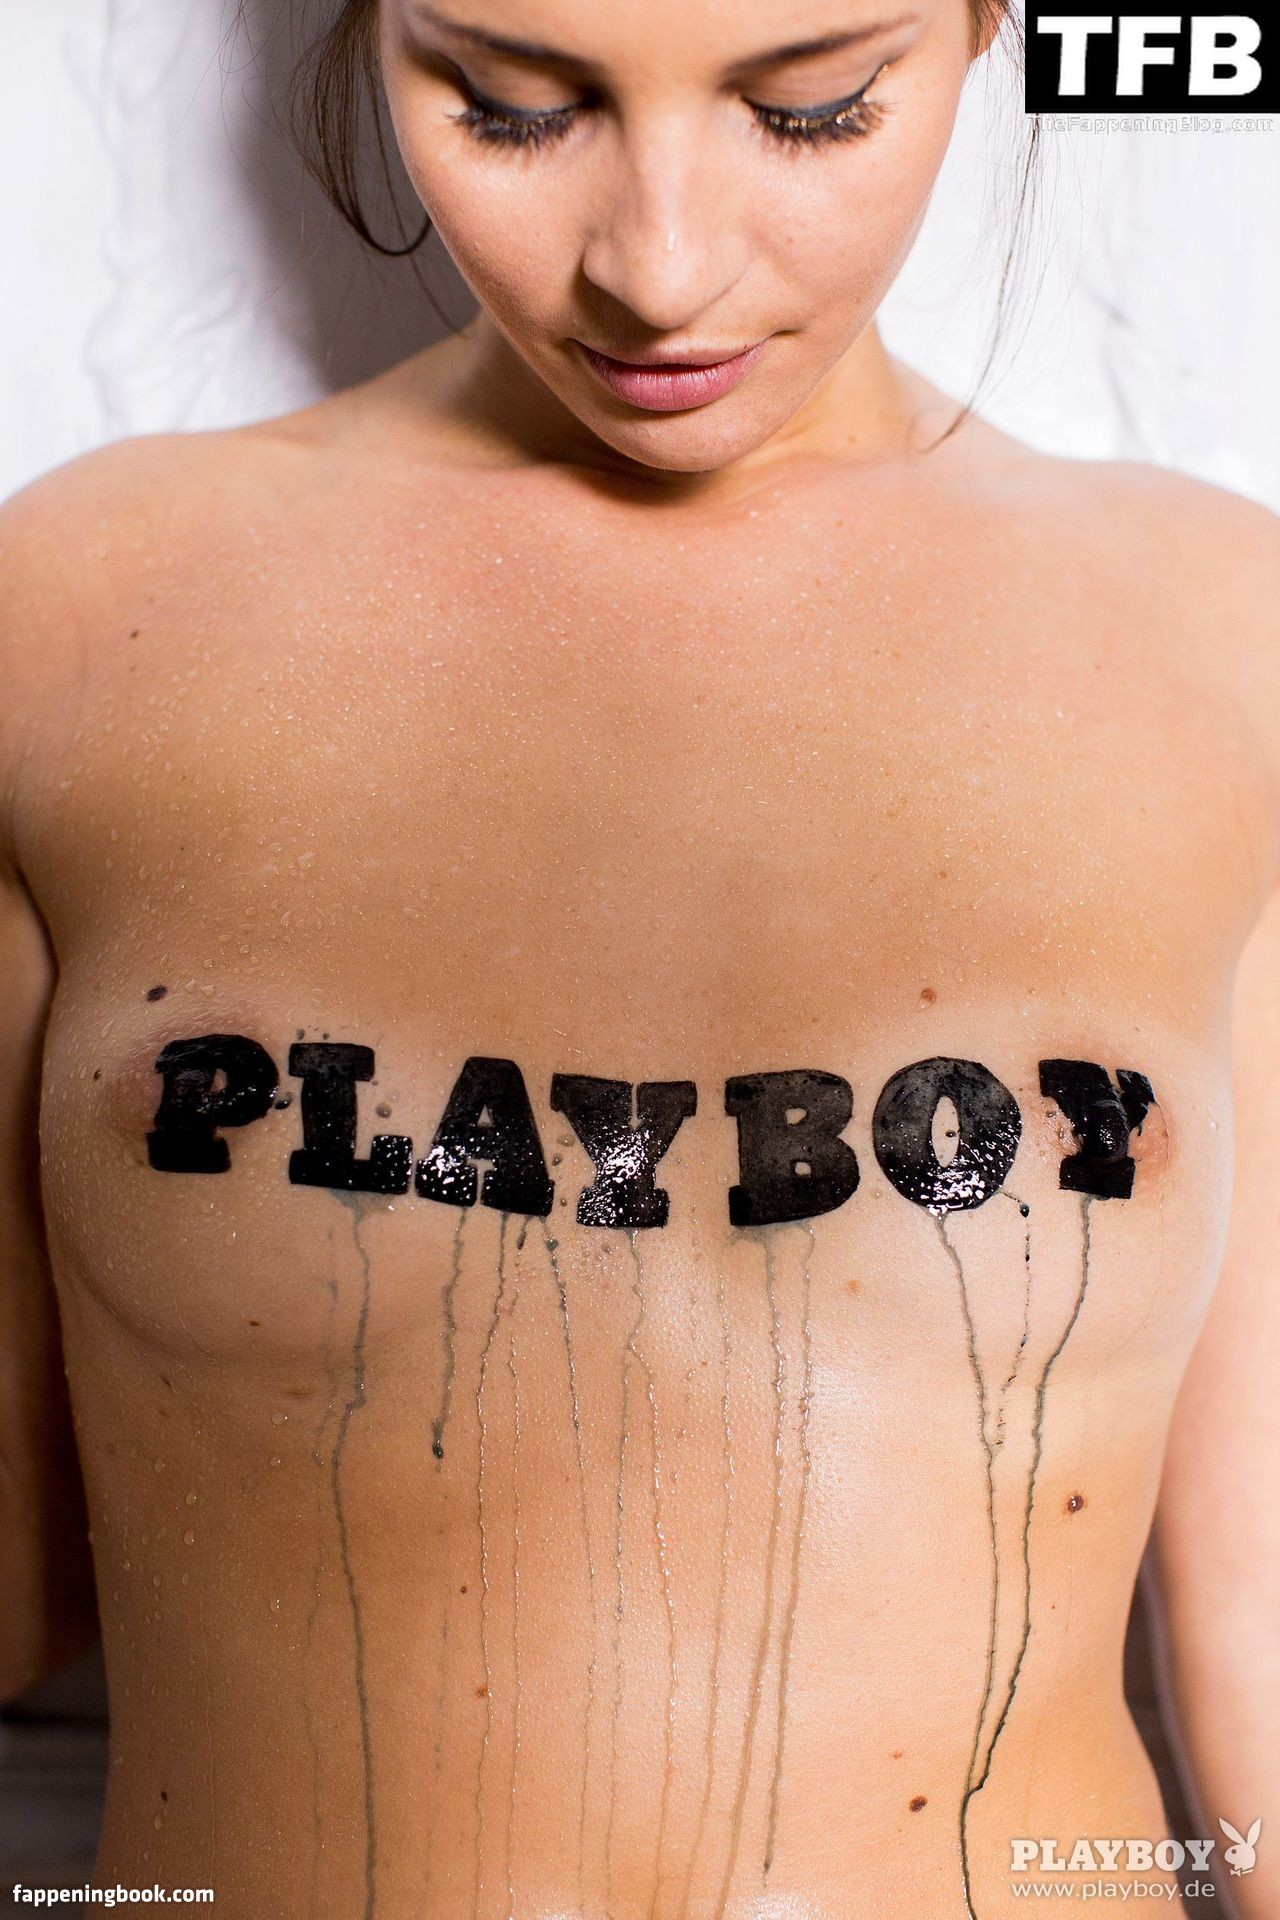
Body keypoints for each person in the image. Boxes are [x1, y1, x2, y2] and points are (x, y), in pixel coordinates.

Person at [1, 0, 1277, 1914]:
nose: (660, 270)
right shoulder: (73, 616)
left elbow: (1266, 1653)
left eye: (813, 108)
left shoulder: (1227, 640)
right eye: (514, 107)